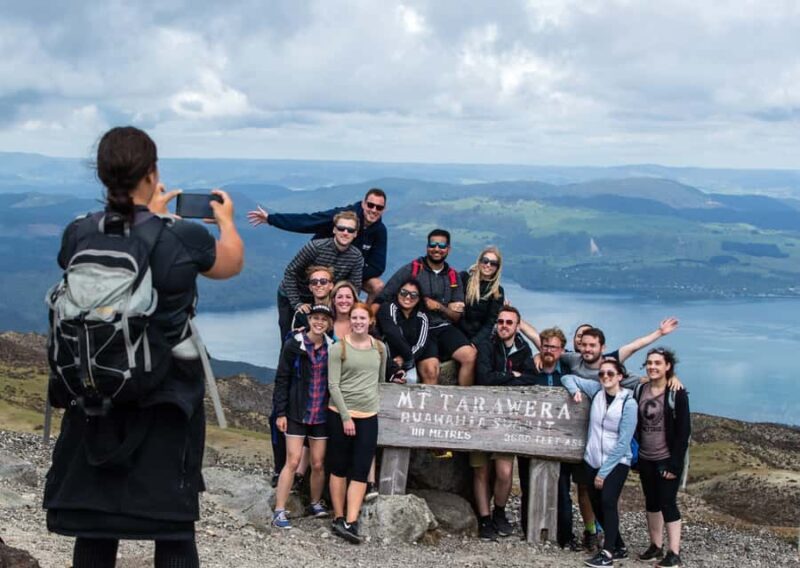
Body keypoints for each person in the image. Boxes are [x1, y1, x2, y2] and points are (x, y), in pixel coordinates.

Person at [43, 126, 244, 568]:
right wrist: (225, 222)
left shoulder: (78, 232)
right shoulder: (180, 236)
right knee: (171, 530)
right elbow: (230, 263)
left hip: (96, 397)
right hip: (166, 402)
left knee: (95, 527)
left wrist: (145, 214)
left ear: (102, 176)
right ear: (153, 173)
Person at [562, 359, 638, 568]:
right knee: (596, 504)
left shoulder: (628, 403)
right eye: (602, 374)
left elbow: (624, 442)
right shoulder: (596, 391)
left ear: (620, 377)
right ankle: (619, 546)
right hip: (592, 459)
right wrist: (574, 390)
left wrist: (603, 473)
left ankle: (607, 553)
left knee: (607, 501)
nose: (605, 377)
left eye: (610, 374)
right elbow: (567, 377)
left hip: (617, 462)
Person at [247, 188, 388, 301]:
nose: (374, 210)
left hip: (349, 272)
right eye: (370, 205)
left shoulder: (380, 231)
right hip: (320, 268)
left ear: (384, 209)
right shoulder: (342, 218)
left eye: (379, 207)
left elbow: (378, 267)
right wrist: (272, 219)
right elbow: (309, 221)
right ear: (363, 204)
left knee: (378, 286)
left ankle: (366, 321)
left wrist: (347, 272)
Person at [376, 229, 475, 386]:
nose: (437, 249)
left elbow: (456, 316)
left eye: (441, 245)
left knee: (469, 356)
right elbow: (385, 295)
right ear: (427, 247)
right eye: (432, 244)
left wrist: (439, 307)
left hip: (444, 327)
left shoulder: (453, 276)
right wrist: (369, 320)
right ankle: (428, 409)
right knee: (430, 370)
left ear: (448, 249)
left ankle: (463, 403)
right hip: (420, 328)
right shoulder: (412, 269)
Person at [513, 327, 581, 551]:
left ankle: (565, 535)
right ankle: (528, 529)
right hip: (529, 438)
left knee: (562, 489)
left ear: (562, 350)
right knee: (527, 484)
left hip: (562, 441)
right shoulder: (530, 368)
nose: (548, 350)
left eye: (553, 347)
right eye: (545, 346)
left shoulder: (570, 373)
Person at [269, 265, 334, 488]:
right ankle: (283, 472)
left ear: (331, 285)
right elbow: (292, 347)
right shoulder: (302, 311)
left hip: (322, 392)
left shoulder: (337, 305)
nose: (319, 285)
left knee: (317, 437)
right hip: (300, 383)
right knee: (280, 421)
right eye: (315, 282)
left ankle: (303, 479)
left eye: (323, 281)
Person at [473, 306, 535, 540]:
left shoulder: (523, 349)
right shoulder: (487, 346)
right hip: (481, 417)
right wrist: (511, 377)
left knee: (505, 472)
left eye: (509, 322)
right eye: (500, 321)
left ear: (517, 326)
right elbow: (484, 377)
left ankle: (499, 511)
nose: (504, 326)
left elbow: (530, 379)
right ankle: (485, 519)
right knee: (480, 470)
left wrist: (503, 378)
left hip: (507, 421)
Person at [326, 303, 386, 544]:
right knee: (339, 467)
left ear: (370, 321)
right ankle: (338, 516)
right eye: (354, 317)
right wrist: (345, 416)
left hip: (369, 416)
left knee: (361, 469)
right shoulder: (338, 348)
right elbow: (333, 385)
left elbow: (379, 381)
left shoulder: (379, 348)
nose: (358, 321)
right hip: (340, 414)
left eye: (363, 317)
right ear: (349, 320)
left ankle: (351, 521)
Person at [272, 305, 336, 529]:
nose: (319, 322)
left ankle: (315, 503)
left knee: (318, 463)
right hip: (297, 412)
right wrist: (280, 412)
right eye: (315, 318)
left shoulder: (332, 348)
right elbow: (282, 379)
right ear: (309, 319)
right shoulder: (294, 345)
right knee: (293, 461)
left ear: (329, 324)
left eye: (324, 319)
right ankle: (279, 510)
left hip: (321, 414)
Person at [634, 348, 691, 568]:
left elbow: (683, 432)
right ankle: (655, 546)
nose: (652, 367)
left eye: (658, 363)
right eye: (649, 363)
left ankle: (674, 553)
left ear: (668, 366)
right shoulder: (640, 389)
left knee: (668, 503)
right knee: (652, 502)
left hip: (666, 458)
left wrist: (674, 465)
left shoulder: (677, 393)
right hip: (645, 456)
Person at [275, 211, 363, 342]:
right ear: (334, 229)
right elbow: (290, 272)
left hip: (321, 298)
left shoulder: (356, 257)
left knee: (321, 337)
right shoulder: (315, 247)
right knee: (290, 338)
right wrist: (297, 303)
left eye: (350, 230)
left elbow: (354, 287)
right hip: (291, 294)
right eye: (341, 228)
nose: (345, 232)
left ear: (355, 234)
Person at [375, 278, 430, 384]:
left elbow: (421, 344)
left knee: (411, 381)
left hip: (407, 363)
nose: (408, 297)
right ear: (398, 293)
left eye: (413, 295)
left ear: (419, 298)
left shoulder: (422, 317)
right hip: (386, 360)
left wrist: (405, 359)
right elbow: (392, 333)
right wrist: (404, 357)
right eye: (404, 292)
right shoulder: (388, 308)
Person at [459, 246, 505, 345]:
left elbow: (490, 323)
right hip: (457, 331)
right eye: (485, 261)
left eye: (493, 263)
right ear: (479, 262)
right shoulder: (464, 278)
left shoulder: (497, 291)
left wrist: (474, 343)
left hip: (479, 338)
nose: (488, 265)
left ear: (497, 267)